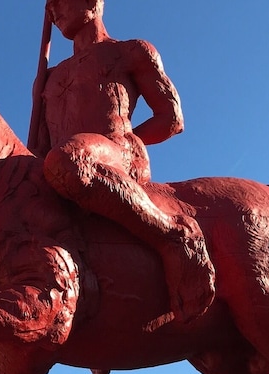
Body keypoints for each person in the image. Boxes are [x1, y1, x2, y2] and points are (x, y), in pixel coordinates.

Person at [31, 0, 214, 323]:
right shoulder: (52, 75)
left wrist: (127, 139)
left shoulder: (130, 51)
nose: (54, 10)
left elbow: (170, 118)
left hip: (117, 156)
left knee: (68, 159)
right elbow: (40, 149)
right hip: (63, 165)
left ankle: (173, 238)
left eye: (61, 0)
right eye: (51, 5)